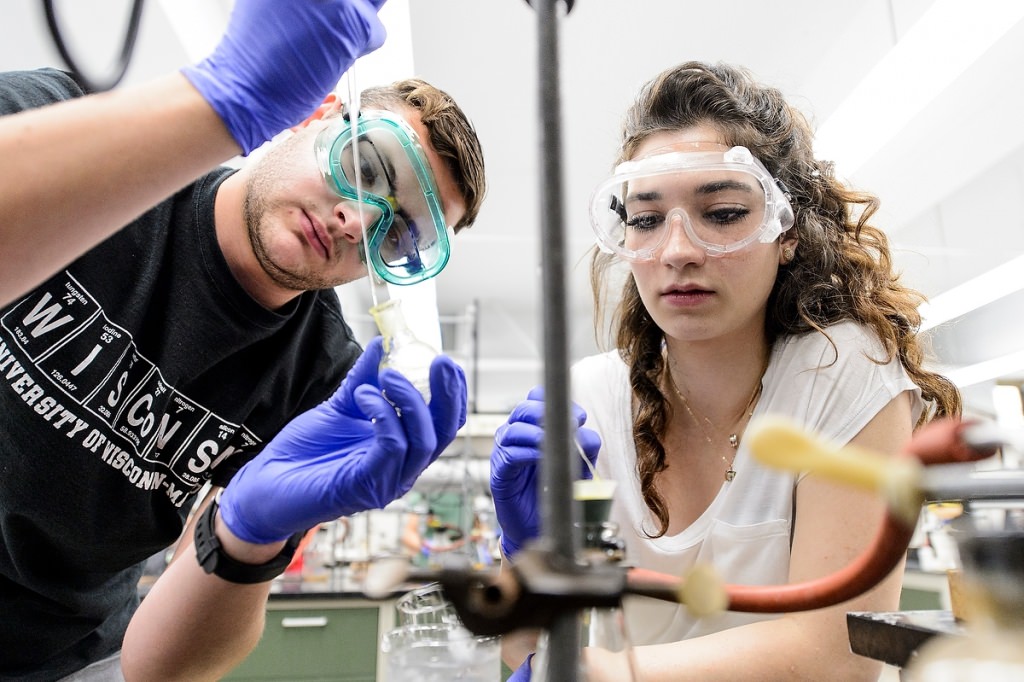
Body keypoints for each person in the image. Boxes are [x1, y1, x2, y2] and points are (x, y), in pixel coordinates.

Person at [0, 2, 487, 680]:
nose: (356, 220)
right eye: (369, 168)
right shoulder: (68, 134)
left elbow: (162, 669)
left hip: (57, 660)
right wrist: (216, 105)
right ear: (317, 116)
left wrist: (248, 539)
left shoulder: (324, 385)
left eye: (399, 235)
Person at [490, 60, 960, 681]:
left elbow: (838, 656)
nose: (678, 250)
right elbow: (517, 646)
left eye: (724, 213)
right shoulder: (590, 400)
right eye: (647, 219)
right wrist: (525, 568)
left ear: (786, 231)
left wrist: (602, 674)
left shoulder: (843, 370)